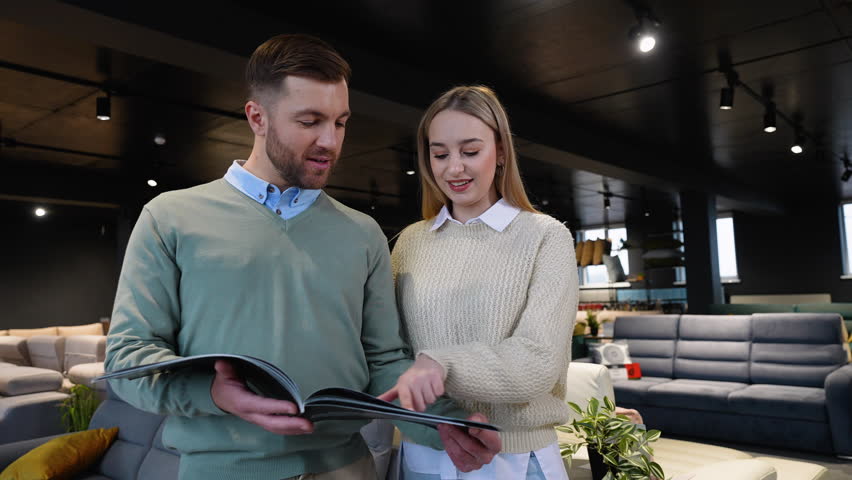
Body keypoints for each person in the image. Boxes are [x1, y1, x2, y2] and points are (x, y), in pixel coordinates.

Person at [105, 34, 499, 480]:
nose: (330, 141)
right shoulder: (170, 218)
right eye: (310, 121)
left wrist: (440, 422)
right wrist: (215, 393)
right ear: (257, 117)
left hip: (348, 468)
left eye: (341, 122)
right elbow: (127, 360)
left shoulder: (362, 233)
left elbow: (385, 362)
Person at [384, 86, 579, 479]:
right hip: (426, 452)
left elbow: (539, 361)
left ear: (501, 152)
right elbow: (391, 351)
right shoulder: (409, 242)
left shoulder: (545, 237)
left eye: (470, 151)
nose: (454, 168)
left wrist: (442, 364)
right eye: (440, 154)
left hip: (516, 461)